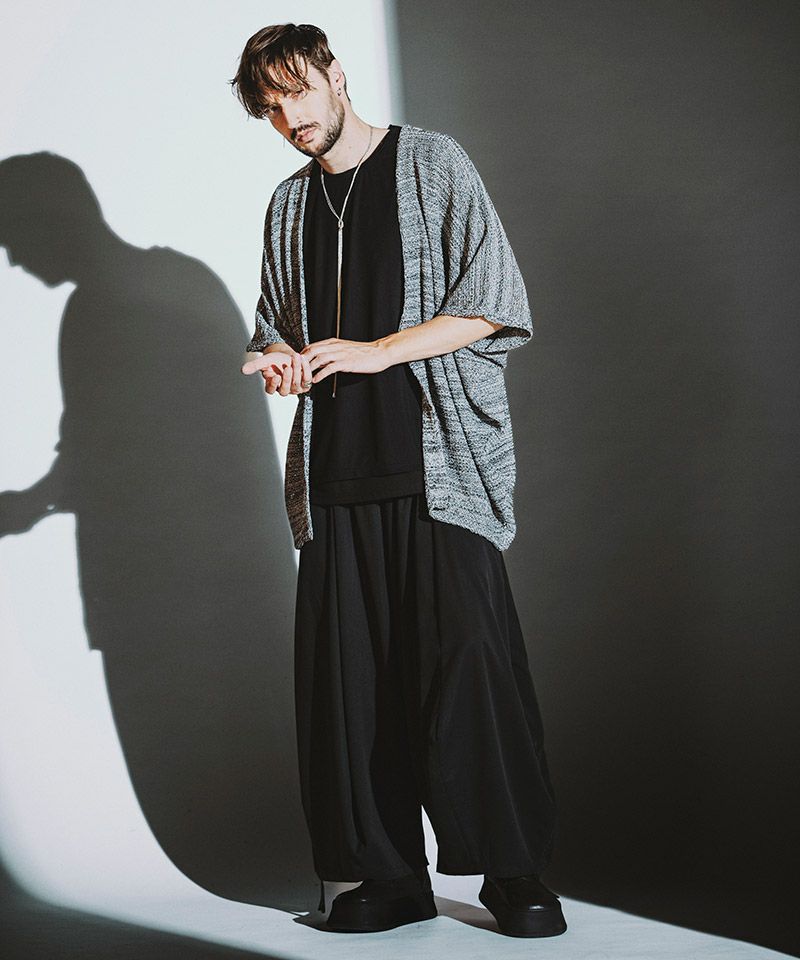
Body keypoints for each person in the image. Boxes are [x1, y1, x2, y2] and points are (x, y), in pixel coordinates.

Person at [231, 22, 567, 938]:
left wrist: (378, 351)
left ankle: (514, 871)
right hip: (335, 475)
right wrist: (276, 358)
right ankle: (387, 877)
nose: (290, 118)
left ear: (336, 75)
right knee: (354, 691)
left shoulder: (432, 162)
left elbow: (493, 302)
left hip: (437, 466)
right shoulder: (288, 206)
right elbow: (273, 322)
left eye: (298, 92)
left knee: (471, 669)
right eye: (271, 108)